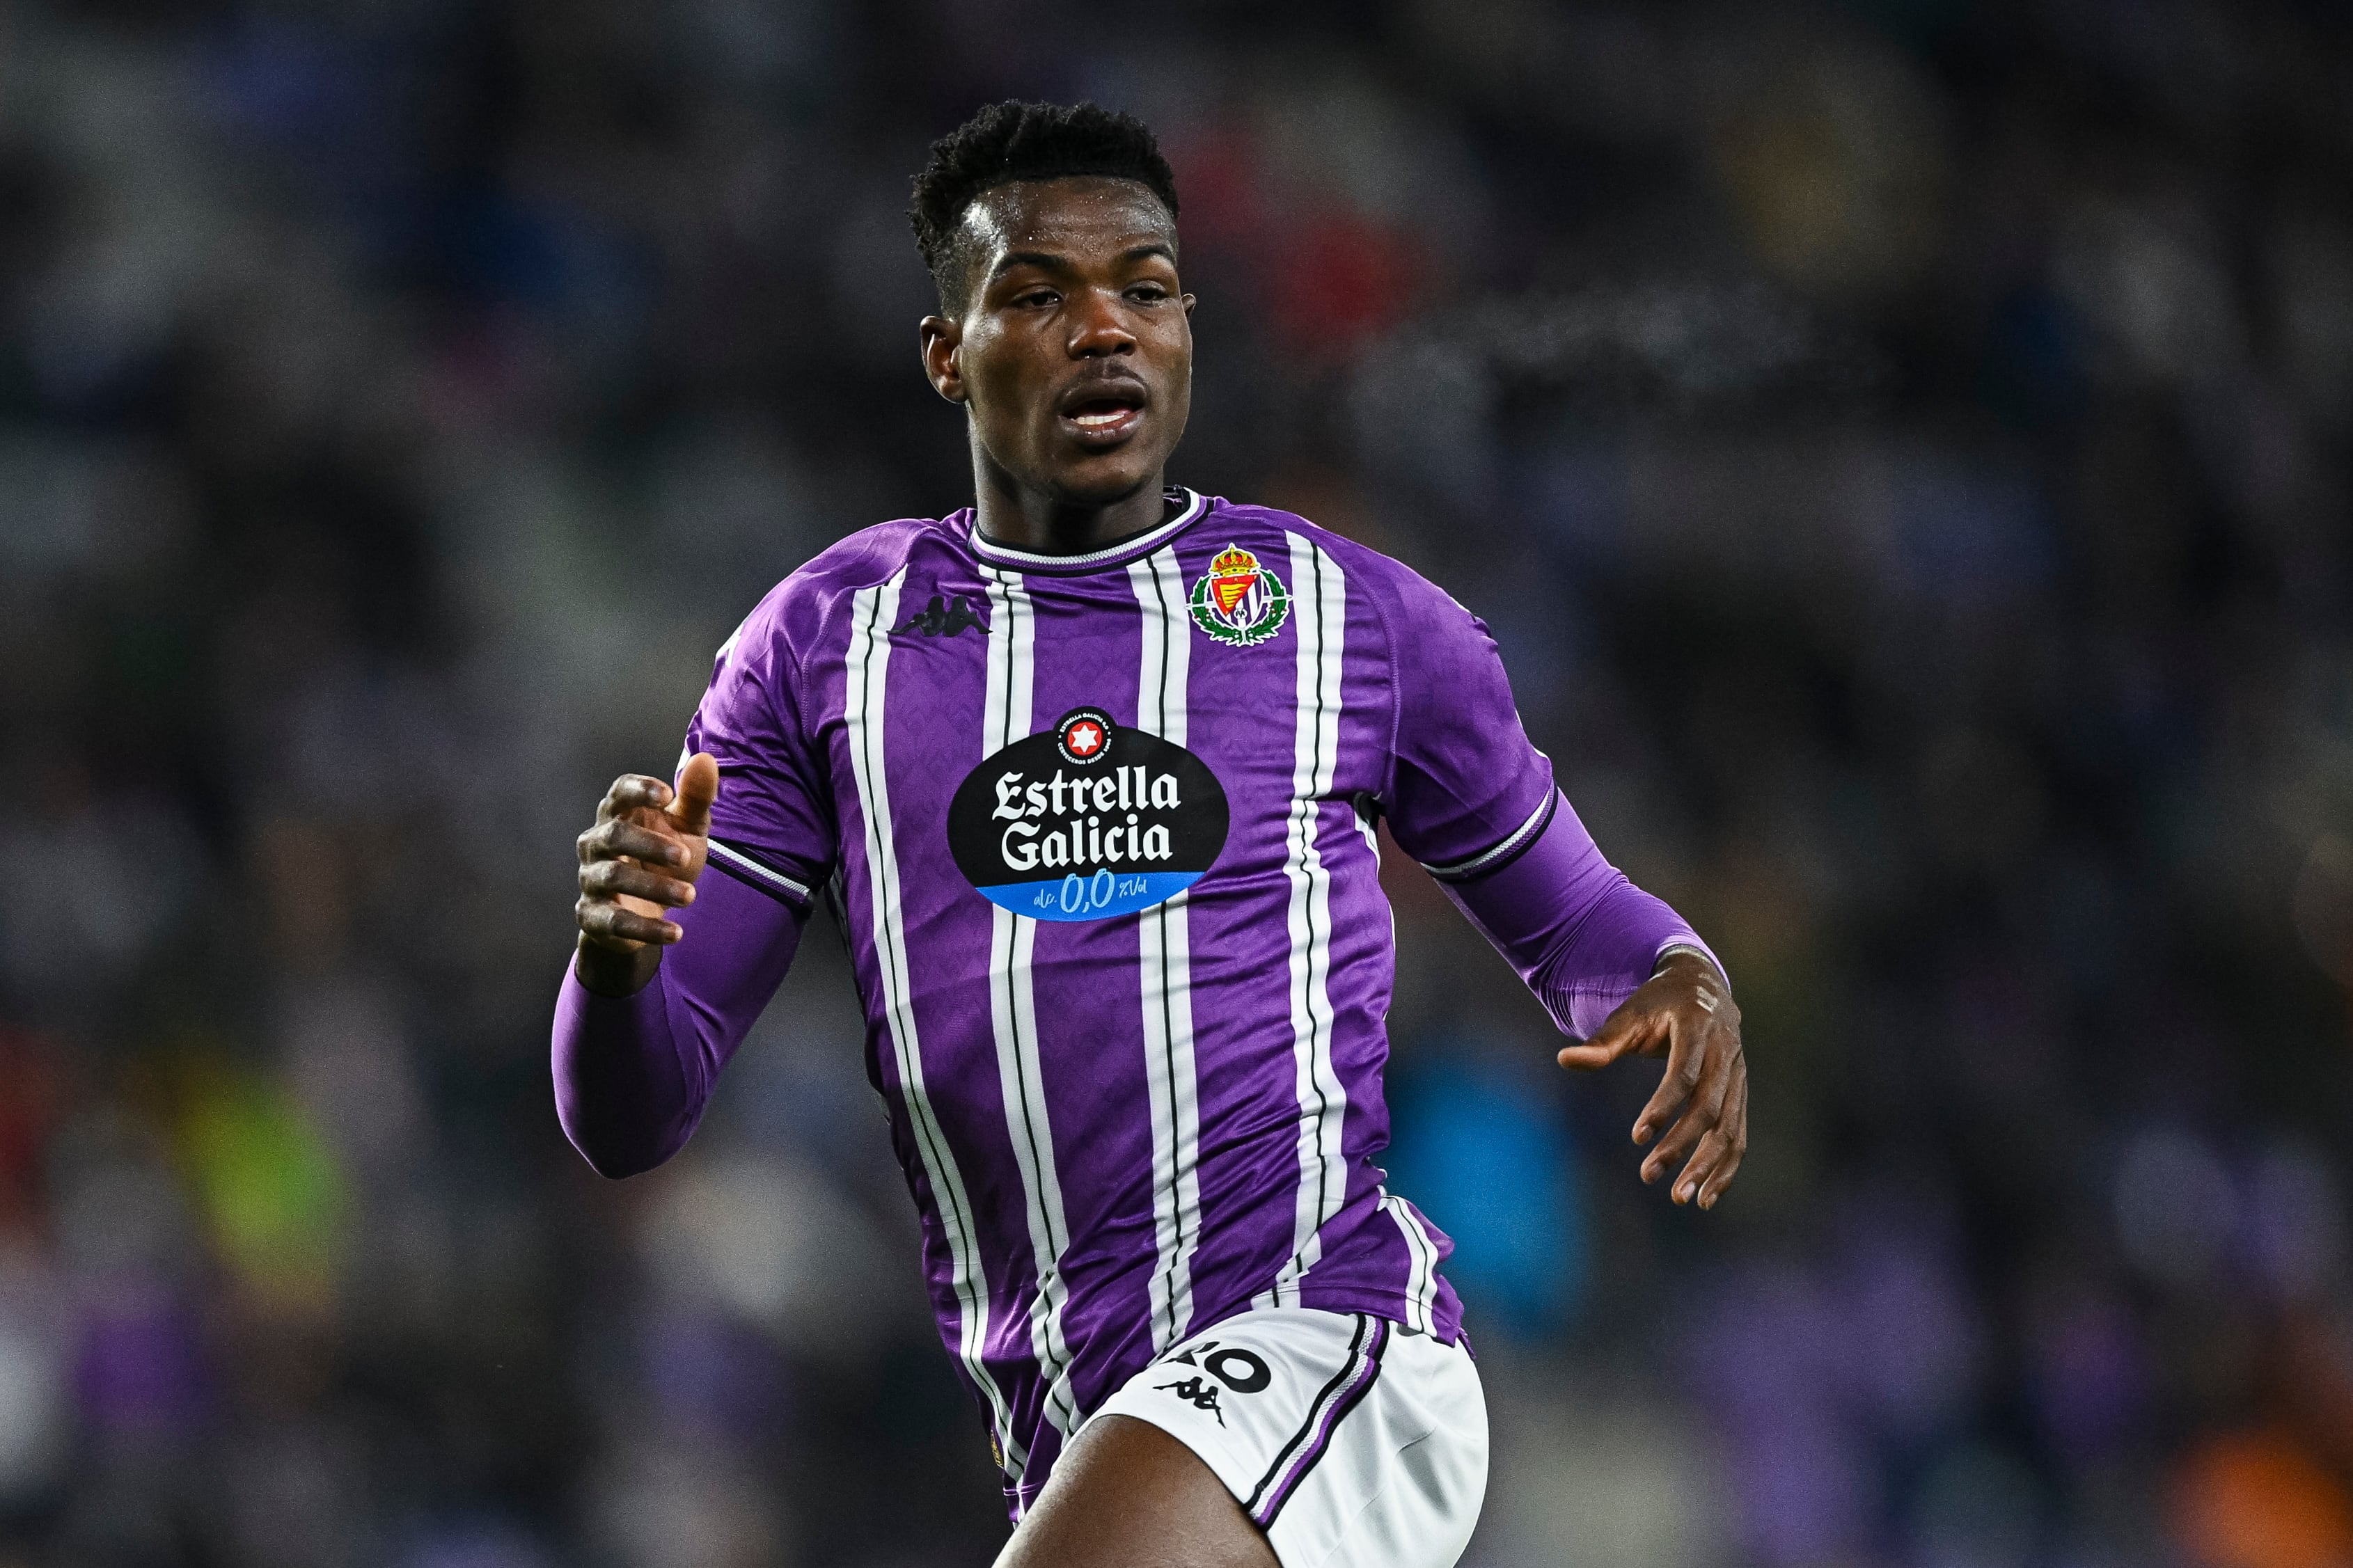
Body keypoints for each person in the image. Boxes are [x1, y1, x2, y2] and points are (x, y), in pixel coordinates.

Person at [553, 100, 1747, 1568]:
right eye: (1039, 296)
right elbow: (631, 1112)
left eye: (1146, 287)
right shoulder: (829, 647)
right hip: (1065, 1419)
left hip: (1323, 1349)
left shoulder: (1349, 622)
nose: (1104, 328)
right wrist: (614, 965)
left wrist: (1682, 971)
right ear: (948, 354)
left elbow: (1573, 920)